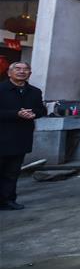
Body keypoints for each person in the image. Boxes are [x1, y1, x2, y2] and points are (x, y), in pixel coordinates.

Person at [0, 62, 47, 210]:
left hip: (21, 137)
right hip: (2, 135)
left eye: (25, 69)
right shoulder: (1, 89)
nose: (22, 72)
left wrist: (35, 113)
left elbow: (41, 110)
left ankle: (8, 200)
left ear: (30, 74)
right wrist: (16, 114)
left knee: (12, 172)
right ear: (9, 73)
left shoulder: (34, 92)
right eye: (18, 69)